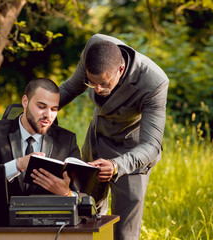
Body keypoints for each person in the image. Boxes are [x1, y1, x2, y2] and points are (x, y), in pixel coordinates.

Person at [59, 34, 169, 240]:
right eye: (92, 83)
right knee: (85, 220)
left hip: (132, 153)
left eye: (103, 83)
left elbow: (152, 145)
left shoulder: (154, 82)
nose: (97, 90)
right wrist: (40, 109)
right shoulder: (94, 48)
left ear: (120, 70)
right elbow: (70, 88)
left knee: (124, 233)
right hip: (96, 141)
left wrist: (116, 165)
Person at [0, 78, 81, 197]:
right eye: (41, 106)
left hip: (47, 214)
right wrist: (18, 165)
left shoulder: (67, 140)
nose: (48, 115)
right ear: (25, 102)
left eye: (54, 109)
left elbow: (83, 196)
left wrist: (67, 193)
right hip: (2, 214)